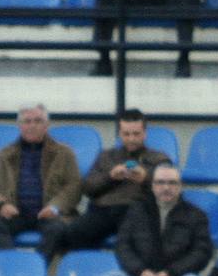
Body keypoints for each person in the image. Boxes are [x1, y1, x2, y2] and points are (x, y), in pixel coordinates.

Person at [93, 163, 212, 276]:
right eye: (160, 182)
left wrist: (171, 273)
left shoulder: (196, 215)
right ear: (153, 185)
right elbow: (122, 246)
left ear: (180, 186)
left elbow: (202, 252)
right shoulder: (136, 211)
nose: (166, 187)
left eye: (172, 183)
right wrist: (140, 271)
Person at [40, 108, 170, 263]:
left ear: (145, 134)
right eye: (126, 134)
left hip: (137, 209)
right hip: (102, 210)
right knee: (72, 233)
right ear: (119, 134)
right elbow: (88, 188)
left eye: (136, 134)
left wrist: (146, 178)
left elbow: (170, 190)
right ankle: (88, 274)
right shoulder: (106, 156)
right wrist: (110, 177)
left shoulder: (159, 158)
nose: (131, 139)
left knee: (131, 241)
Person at [0, 104, 81, 252]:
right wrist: (1, 205)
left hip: (49, 215)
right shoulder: (3, 154)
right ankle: (12, 266)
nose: (32, 126)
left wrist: (55, 207)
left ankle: (36, 268)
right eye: (27, 121)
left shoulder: (65, 153)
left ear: (46, 126)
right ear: (20, 126)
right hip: (16, 213)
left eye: (38, 121)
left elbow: (74, 186)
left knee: (58, 230)